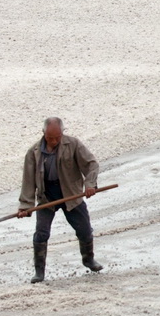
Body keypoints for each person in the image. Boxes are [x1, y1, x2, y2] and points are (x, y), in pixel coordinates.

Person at [18, 117, 102, 283]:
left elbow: (91, 164)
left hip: (71, 194)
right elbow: (28, 181)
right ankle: (39, 272)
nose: (54, 141)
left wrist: (90, 184)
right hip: (46, 196)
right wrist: (25, 206)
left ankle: (89, 260)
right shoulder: (33, 152)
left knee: (84, 230)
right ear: (43, 134)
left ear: (62, 133)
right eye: (50, 138)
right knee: (41, 234)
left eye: (57, 137)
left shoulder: (73, 145)